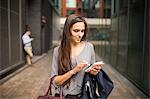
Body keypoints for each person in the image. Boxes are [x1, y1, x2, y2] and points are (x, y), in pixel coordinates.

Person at [50, 14, 102, 99]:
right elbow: (55, 82)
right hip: (62, 96)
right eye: (76, 31)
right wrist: (73, 71)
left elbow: (92, 75)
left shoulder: (89, 47)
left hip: (84, 95)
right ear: (68, 30)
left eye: (82, 31)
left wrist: (94, 71)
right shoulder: (58, 51)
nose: (80, 35)